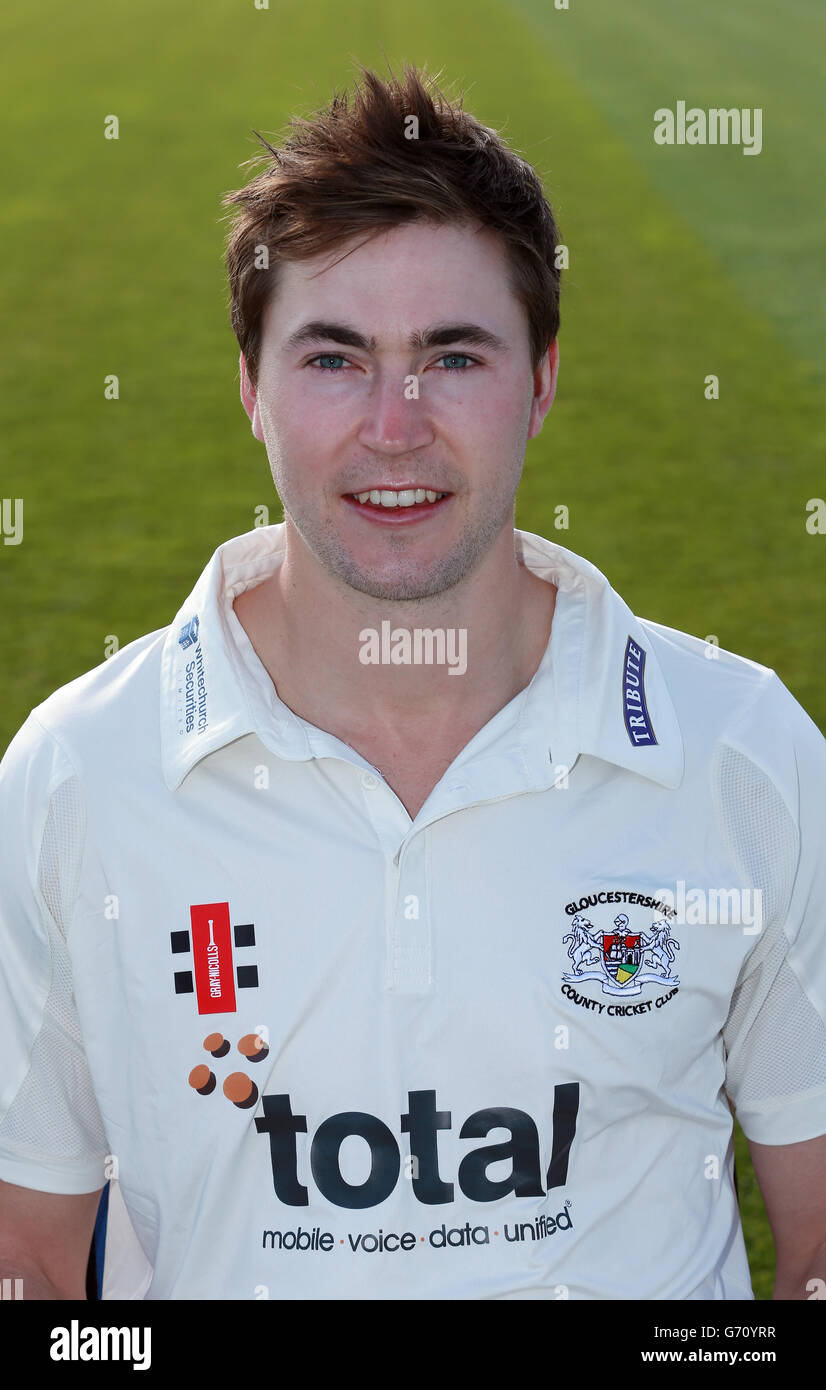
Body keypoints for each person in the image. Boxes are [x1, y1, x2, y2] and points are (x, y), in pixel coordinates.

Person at [1, 62, 825, 1302]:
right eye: (333, 360)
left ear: (540, 382)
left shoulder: (739, 751)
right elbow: (32, 1260)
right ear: (251, 391)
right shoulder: (77, 775)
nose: (395, 425)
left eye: (453, 357)